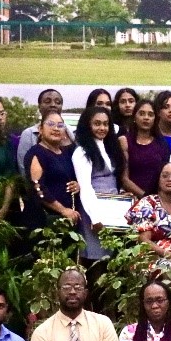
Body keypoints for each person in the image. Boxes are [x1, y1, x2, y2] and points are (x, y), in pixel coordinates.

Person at [72, 105, 125, 261]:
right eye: (97, 123)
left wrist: (122, 195)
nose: (102, 128)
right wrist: (95, 218)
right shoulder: (82, 151)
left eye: (105, 124)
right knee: (96, 258)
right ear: (88, 125)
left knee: (112, 259)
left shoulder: (110, 147)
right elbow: (86, 187)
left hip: (113, 209)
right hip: (94, 209)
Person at [21, 111, 80, 236]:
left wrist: (77, 185)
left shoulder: (67, 153)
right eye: (50, 124)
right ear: (41, 129)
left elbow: (69, 178)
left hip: (67, 221)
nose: (56, 128)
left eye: (60, 125)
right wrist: (63, 210)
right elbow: (38, 188)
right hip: (44, 222)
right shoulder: (36, 153)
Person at [125, 162, 171, 257]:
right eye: (165, 176)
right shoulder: (147, 204)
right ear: (158, 180)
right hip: (151, 256)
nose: (170, 179)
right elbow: (143, 241)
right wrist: (168, 254)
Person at [120, 99, 171, 197]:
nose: (146, 118)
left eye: (150, 114)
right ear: (134, 116)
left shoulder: (162, 144)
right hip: (132, 197)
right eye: (142, 113)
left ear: (155, 119)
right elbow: (124, 179)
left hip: (158, 198)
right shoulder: (124, 141)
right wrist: (145, 197)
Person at [15, 88, 65, 174]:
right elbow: (23, 167)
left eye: (58, 102)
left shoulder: (73, 132)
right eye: (47, 101)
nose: (53, 105)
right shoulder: (29, 134)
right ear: (39, 106)